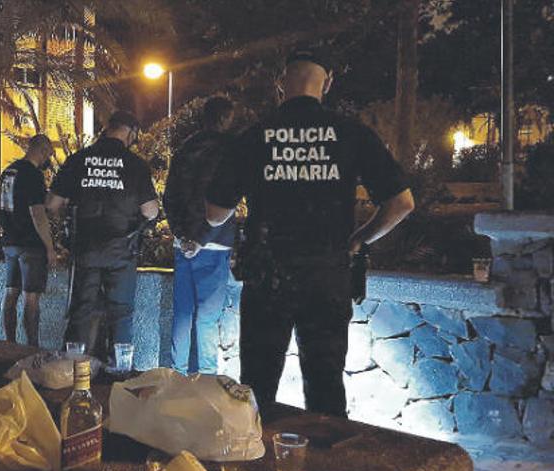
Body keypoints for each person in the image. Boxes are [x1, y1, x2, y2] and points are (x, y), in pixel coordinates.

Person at [205, 48, 415, 417]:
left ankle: (255, 463)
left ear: (280, 83)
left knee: (256, 386)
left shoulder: (254, 137)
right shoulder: (351, 134)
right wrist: (358, 239)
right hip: (327, 275)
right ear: (327, 82)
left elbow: (213, 214)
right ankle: (326, 466)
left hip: (267, 277)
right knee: (325, 383)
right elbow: (402, 202)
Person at [46, 111, 159, 363]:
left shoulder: (78, 160)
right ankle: (119, 370)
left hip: (85, 250)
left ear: (107, 128)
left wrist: (66, 223)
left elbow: (52, 203)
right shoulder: (135, 165)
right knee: (120, 313)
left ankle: (73, 370)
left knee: (81, 312)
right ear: (130, 132)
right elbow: (150, 211)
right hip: (121, 251)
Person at [163, 96, 237, 375]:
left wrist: (183, 236)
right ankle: (205, 378)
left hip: (184, 245)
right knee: (207, 318)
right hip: (215, 243)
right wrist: (202, 239)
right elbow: (228, 200)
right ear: (226, 118)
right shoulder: (231, 149)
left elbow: (170, 197)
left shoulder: (185, 149)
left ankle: (177, 373)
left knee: (183, 314)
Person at [0, 135, 56, 346]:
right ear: (41, 151)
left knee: (10, 292)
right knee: (31, 297)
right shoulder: (32, 174)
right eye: (48, 154)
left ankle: (9, 343)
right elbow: (37, 213)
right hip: (30, 244)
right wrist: (50, 248)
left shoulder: (9, 171)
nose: (47, 160)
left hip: (10, 241)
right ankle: (32, 347)